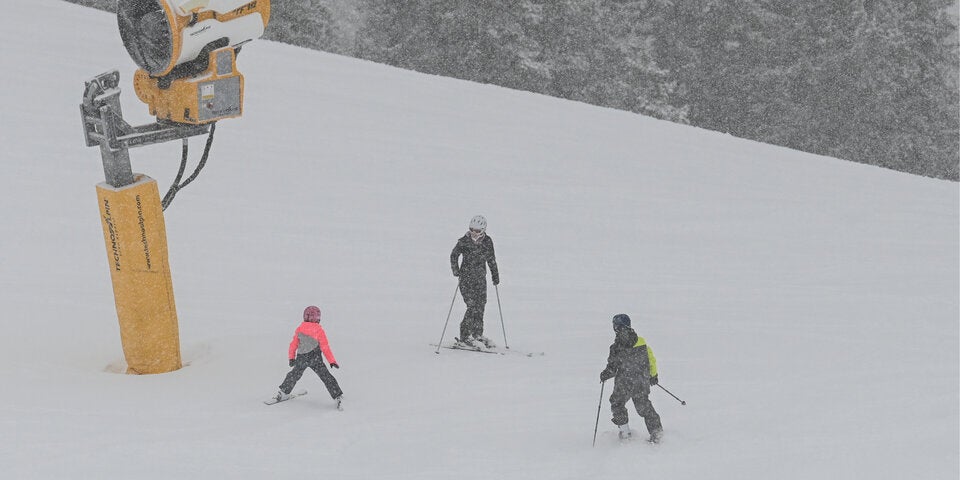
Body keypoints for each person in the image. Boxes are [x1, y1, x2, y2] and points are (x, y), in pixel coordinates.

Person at [599, 313, 663, 443]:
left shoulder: (616, 347)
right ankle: (657, 433)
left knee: (617, 403)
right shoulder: (641, 342)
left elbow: (612, 367)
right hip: (641, 381)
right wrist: (653, 375)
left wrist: (605, 374)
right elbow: (651, 360)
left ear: (616, 327)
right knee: (644, 406)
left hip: (624, 382)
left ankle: (625, 433)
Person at [272, 305, 343, 409]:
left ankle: (283, 392)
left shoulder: (300, 329)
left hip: (302, 359)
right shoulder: (319, 330)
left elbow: (293, 345)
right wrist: (332, 361)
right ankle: (337, 395)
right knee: (326, 377)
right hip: (316, 359)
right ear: (318, 318)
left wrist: (291, 358)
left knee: (294, 374)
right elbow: (325, 347)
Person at [449, 215, 500, 348]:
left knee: (481, 306)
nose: (474, 233)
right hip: (466, 279)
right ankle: (465, 337)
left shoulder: (487, 241)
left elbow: (491, 259)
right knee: (471, 307)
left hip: (480, 279)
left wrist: (495, 275)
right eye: (472, 229)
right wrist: (456, 270)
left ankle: (477, 335)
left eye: (477, 231)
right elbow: (454, 255)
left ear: (483, 230)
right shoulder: (464, 241)